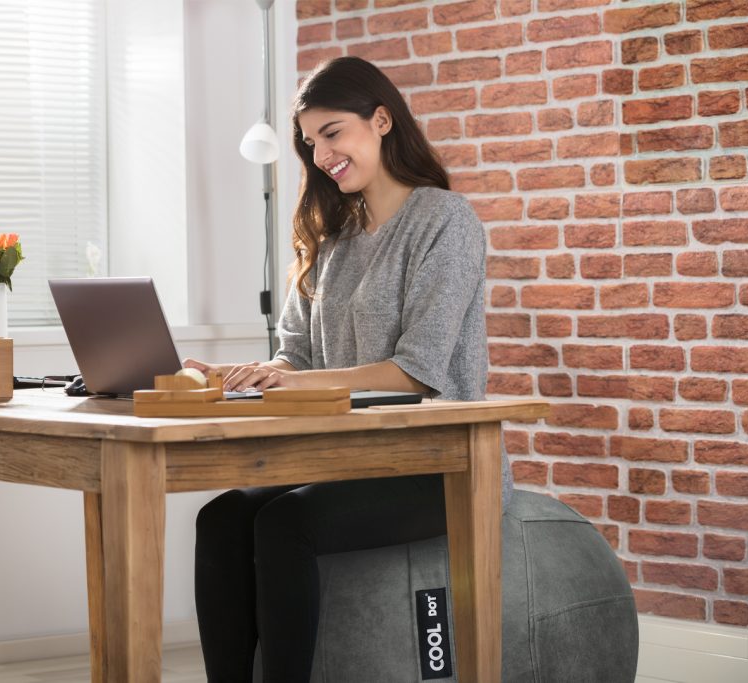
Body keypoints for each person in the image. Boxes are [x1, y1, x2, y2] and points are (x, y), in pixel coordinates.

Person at [184, 56, 510, 683]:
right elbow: (296, 359)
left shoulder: (445, 219)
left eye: (333, 132)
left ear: (381, 119)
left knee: (283, 525)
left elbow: (419, 373)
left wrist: (292, 380)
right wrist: (242, 373)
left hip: (438, 464)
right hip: (347, 460)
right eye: (310, 142)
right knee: (221, 517)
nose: (321, 152)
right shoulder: (332, 239)